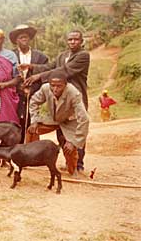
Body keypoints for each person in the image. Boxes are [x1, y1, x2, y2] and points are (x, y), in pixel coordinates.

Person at [22, 29, 89, 172]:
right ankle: (56, 160)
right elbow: (51, 67)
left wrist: (38, 76)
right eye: (70, 39)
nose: (72, 42)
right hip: (58, 99)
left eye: (76, 39)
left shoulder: (83, 56)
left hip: (74, 98)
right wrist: (32, 67)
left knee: (74, 130)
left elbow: (64, 71)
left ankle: (78, 164)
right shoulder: (62, 55)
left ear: (81, 41)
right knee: (61, 134)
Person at [26, 71, 89, 176]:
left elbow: (84, 119)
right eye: (52, 85)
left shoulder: (74, 93)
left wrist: (73, 142)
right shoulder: (45, 88)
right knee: (31, 130)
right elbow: (33, 101)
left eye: (59, 86)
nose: (55, 89)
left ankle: (73, 170)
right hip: (53, 118)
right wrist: (35, 120)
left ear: (65, 84)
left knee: (69, 148)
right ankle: (30, 160)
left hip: (69, 121)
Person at [9, 24, 49, 143]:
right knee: (16, 123)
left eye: (26, 36)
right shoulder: (11, 56)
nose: (24, 39)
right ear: (16, 41)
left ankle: (32, 152)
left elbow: (46, 73)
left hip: (34, 96)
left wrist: (33, 89)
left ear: (30, 38)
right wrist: (19, 88)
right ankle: (17, 150)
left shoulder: (41, 57)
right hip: (15, 96)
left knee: (32, 122)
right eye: (21, 37)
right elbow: (7, 75)